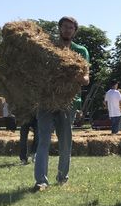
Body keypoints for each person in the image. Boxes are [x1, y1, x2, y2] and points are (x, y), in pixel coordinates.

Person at [33, 16, 90, 192]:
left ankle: (62, 176)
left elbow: (86, 78)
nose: (67, 30)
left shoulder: (80, 51)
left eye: (70, 28)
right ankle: (41, 181)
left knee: (65, 142)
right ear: (59, 28)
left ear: (75, 31)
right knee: (43, 141)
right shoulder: (48, 49)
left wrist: (74, 74)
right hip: (46, 102)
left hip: (69, 103)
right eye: (64, 27)